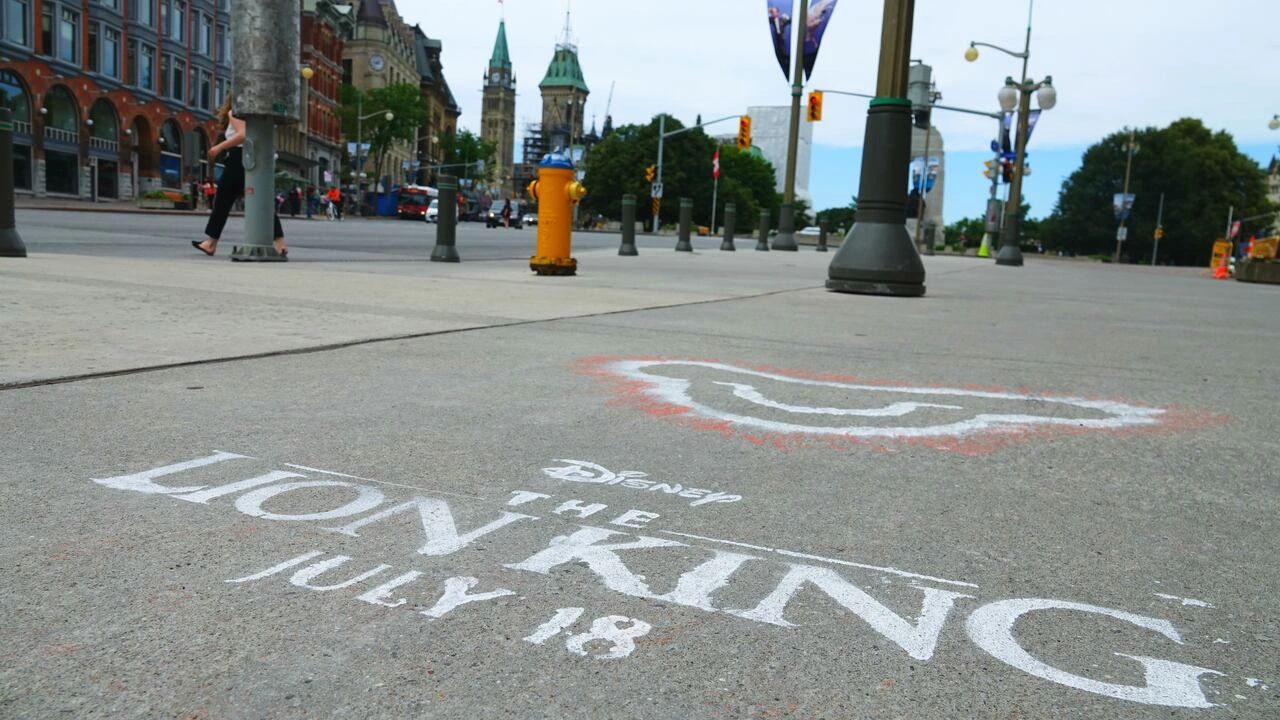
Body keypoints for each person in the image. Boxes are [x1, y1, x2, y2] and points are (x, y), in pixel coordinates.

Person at [193, 93, 288, 259]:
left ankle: (211, 243)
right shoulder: (257, 114)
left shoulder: (235, 112)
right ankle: (280, 243)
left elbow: (243, 134)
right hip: (256, 157)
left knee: (222, 200)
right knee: (261, 199)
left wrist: (219, 148)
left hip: (238, 157)